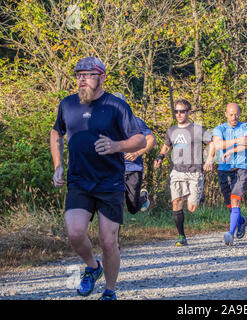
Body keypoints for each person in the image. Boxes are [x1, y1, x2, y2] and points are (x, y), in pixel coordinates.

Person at [50, 57, 146, 300]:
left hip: (109, 182)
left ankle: (110, 291)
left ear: (102, 77)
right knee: (74, 233)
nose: (82, 79)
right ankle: (93, 267)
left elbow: (140, 140)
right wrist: (58, 164)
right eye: (78, 74)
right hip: (79, 180)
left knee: (108, 240)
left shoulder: (116, 106)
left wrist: (116, 145)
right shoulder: (68, 104)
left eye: (88, 74)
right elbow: (56, 132)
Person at [154, 99, 214, 246]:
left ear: (188, 112)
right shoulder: (171, 130)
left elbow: (212, 142)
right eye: (176, 111)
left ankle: (189, 194)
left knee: (192, 208)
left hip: (194, 172)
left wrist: (209, 159)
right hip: (177, 171)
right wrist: (160, 157)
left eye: (182, 111)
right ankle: (182, 236)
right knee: (176, 202)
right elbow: (166, 146)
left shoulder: (197, 129)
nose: (179, 114)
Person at [213, 103, 247, 246]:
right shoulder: (219, 129)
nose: (234, 117)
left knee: (236, 200)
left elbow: (246, 144)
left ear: (240, 113)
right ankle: (242, 221)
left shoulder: (246, 127)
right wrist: (237, 141)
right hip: (224, 169)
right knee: (229, 204)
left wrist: (230, 150)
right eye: (231, 114)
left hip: (241, 168)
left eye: (236, 114)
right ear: (226, 114)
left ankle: (230, 233)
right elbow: (218, 145)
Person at [112, 93, 156, 214]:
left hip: (133, 168)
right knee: (115, 202)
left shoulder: (136, 122)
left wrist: (137, 153)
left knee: (133, 207)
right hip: (114, 169)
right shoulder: (105, 124)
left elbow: (152, 140)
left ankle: (143, 197)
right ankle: (113, 232)